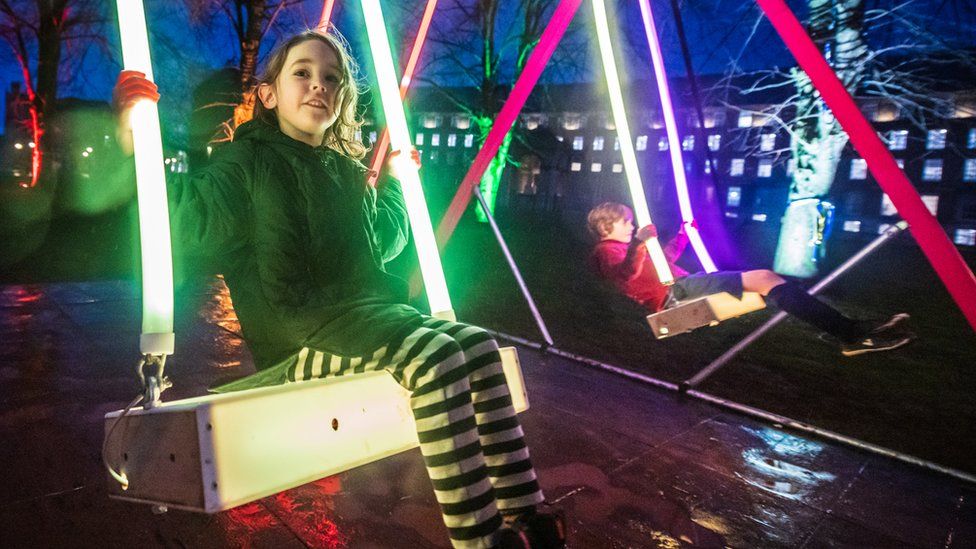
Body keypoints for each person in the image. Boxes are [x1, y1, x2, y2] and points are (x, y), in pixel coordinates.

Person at [114, 30, 564, 549]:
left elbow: (386, 242)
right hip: (300, 340)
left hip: (366, 322)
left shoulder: (349, 175)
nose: (317, 86)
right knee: (437, 359)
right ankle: (481, 539)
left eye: (332, 78)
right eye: (301, 73)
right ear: (268, 94)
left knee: (481, 350)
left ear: (343, 98)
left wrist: (395, 181)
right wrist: (136, 140)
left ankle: (531, 521)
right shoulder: (246, 165)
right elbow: (179, 216)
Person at [586, 202, 913, 356]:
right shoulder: (606, 251)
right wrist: (641, 243)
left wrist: (683, 236)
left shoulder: (625, 247)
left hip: (682, 285)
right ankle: (850, 334)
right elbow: (626, 275)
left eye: (630, 223)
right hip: (676, 297)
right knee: (764, 279)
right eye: (625, 222)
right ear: (606, 227)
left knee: (768, 281)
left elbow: (664, 261)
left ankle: (848, 332)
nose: (630, 227)